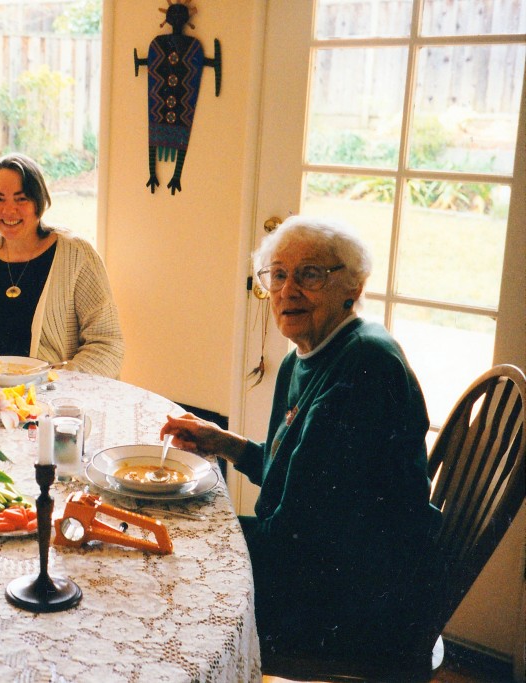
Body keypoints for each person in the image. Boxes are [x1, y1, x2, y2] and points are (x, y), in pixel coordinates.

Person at [161, 216, 440, 659]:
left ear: (353, 287)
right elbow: (295, 480)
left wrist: (194, 537)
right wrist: (224, 442)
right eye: (278, 274)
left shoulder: (364, 366)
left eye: (310, 274)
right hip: (317, 563)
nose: (288, 291)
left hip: (354, 600)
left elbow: (299, 534)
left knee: (167, 572)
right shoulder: (303, 359)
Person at [0, 153, 124, 378]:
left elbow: (107, 344)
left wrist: (57, 384)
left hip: (54, 400)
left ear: (40, 201)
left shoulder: (76, 255)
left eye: (21, 199)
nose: (9, 210)